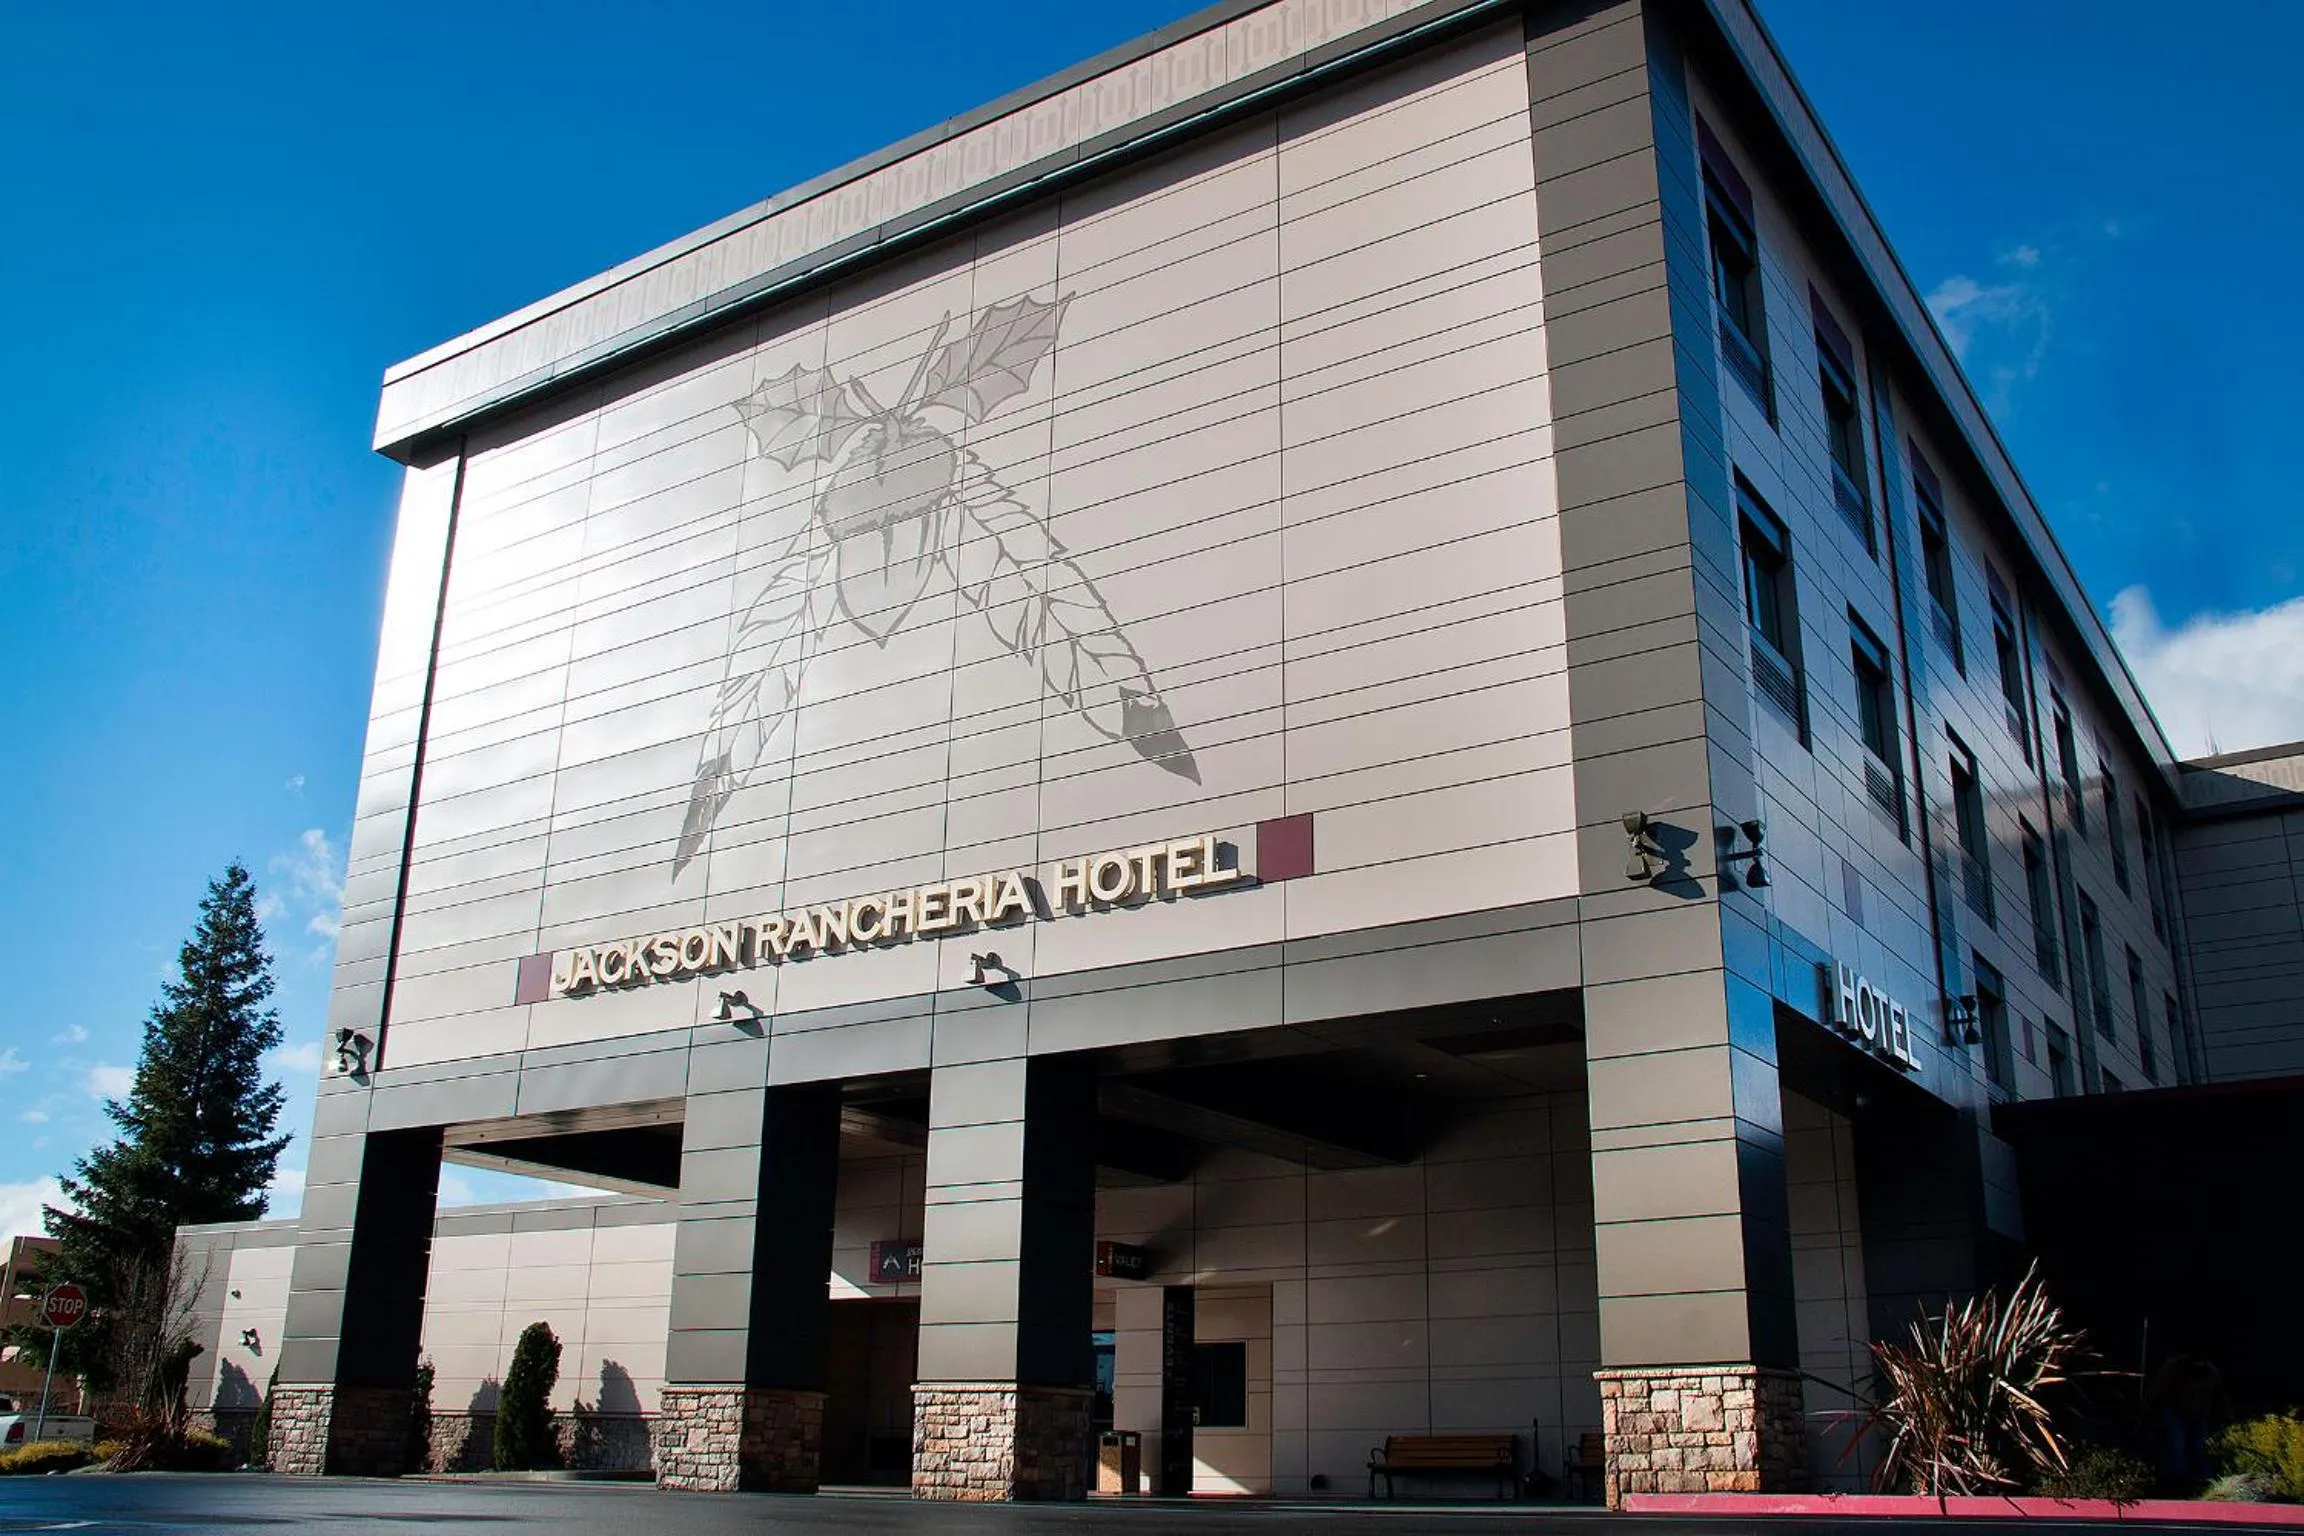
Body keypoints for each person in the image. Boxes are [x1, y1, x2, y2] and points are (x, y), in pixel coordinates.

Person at [2145, 1353, 2226, 1487]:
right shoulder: (2173, 1367)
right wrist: (2149, 1406)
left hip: (2199, 1416)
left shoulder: (2211, 1371)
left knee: (2198, 1448)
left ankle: (2200, 1480)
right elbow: (2157, 1388)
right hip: (2176, 1413)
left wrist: (2225, 1413)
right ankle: (2179, 1481)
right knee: (2177, 1447)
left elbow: (2220, 1394)